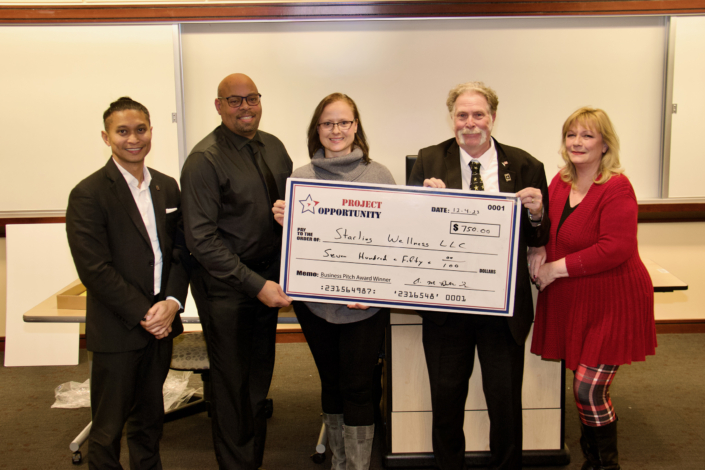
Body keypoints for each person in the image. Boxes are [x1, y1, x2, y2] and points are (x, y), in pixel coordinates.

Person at [408, 81, 550, 470]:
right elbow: (411, 237)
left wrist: (536, 214)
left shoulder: (525, 165)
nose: (470, 123)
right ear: (452, 118)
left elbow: (538, 237)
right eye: (462, 115)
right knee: (446, 400)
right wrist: (422, 203)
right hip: (446, 309)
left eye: (479, 114)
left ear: (493, 117)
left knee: (504, 402)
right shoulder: (428, 161)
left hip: (501, 309)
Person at [272, 93, 395, 470]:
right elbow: (302, 245)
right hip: (316, 306)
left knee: (359, 385)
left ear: (356, 126)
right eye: (328, 123)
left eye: (344, 122)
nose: (336, 130)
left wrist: (372, 290)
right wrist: (286, 222)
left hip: (365, 306)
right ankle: (340, 462)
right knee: (330, 383)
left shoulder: (380, 175)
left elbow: (392, 241)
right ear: (317, 129)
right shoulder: (302, 178)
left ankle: (358, 465)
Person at [66, 97, 190, 469]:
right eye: (122, 131)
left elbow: (182, 252)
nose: (133, 138)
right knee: (107, 429)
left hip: (161, 325)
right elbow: (95, 269)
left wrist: (171, 302)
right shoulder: (88, 193)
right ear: (106, 137)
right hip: (119, 329)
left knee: (150, 421)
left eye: (140, 129)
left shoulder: (167, 187)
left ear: (151, 131)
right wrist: (144, 314)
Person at [530, 107, 657, 470]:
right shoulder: (560, 181)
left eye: (587, 136)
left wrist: (556, 268)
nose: (577, 142)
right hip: (577, 299)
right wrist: (538, 249)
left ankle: (604, 464)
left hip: (614, 299)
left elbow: (616, 247)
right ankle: (593, 458)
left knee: (588, 388)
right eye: (571, 135)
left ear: (604, 145)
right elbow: (548, 229)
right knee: (583, 383)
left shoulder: (616, 186)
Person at [180, 73, 293, 470]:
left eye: (252, 99)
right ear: (219, 106)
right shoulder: (204, 160)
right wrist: (256, 285)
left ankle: (252, 458)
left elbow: (293, 215)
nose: (245, 107)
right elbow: (201, 240)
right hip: (226, 289)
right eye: (235, 101)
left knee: (258, 379)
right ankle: (237, 464)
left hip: (267, 282)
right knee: (231, 387)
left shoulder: (275, 148)